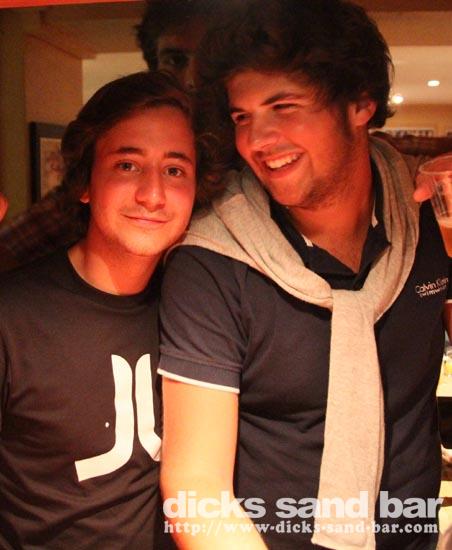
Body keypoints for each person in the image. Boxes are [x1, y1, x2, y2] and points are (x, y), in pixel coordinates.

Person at [158, 1, 451, 549]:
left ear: (360, 102)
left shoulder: (427, 215)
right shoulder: (214, 261)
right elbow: (196, 487)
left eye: (284, 106)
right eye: (242, 117)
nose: (258, 140)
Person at [0, 71, 197, 548]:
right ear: (85, 183)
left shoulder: (199, 308)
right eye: (127, 165)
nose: (153, 195)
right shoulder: (14, 317)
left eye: (174, 171)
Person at [0, 0, 229, 272]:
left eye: (210, 63)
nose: (193, 78)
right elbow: (11, 248)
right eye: (176, 60)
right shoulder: (95, 182)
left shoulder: (252, 165)